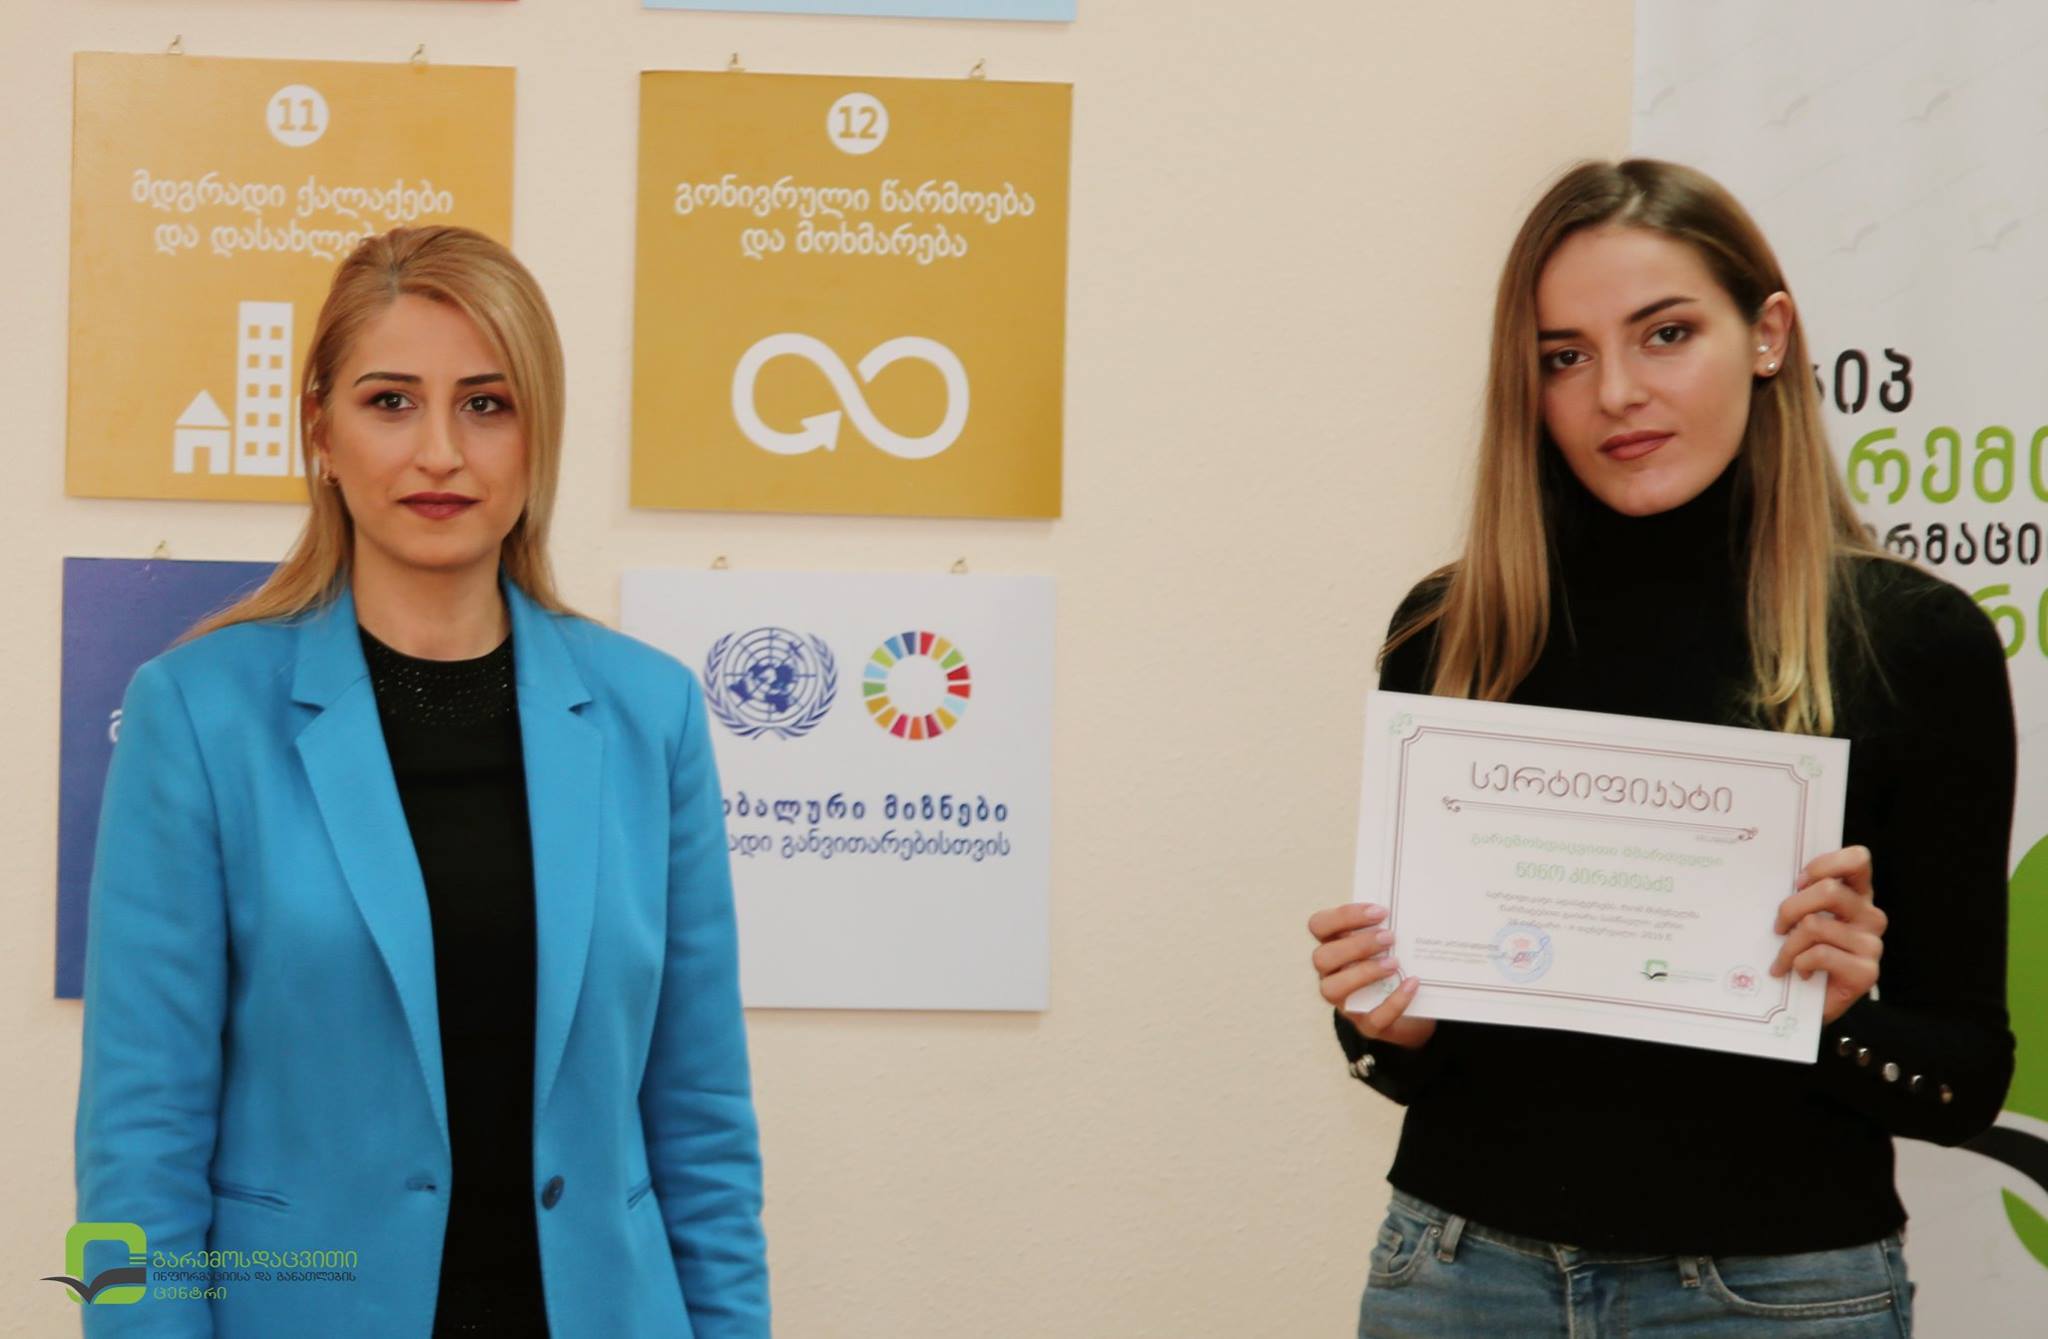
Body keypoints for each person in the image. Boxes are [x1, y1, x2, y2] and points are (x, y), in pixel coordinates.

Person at [1306, 160, 2015, 1337]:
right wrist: (1386, 1017)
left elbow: (1960, 1082)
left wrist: (1838, 1009)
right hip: (1457, 1275)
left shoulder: (1910, 642)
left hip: (1775, 1294)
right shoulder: (1453, 627)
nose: (1615, 393)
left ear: (1766, 335)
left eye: (1665, 333)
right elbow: (1408, 1055)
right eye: (1561, 356)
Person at [73, 226, 770, 1338]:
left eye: (486, 404)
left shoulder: (651, 713)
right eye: (391, 402)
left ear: (538, 436)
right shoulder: (199, 715)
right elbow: (136, 1146)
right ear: (321, 431)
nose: (440, 451)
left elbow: (702, 1124)